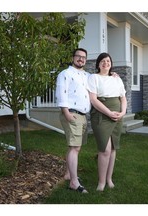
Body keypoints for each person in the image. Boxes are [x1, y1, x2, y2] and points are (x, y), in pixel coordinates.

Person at [88, 52, 127, 191]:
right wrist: (109, 113)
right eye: (103, 61)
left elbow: (123, 98)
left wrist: (122, 113)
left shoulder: (117, 78)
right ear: (98, 64)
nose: (106, 63)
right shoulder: (93, 77)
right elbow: (93, 99)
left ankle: (109, 178)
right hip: (101, 115)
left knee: (113, 148)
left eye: (108, 61)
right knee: (104, 149)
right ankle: (101, 182)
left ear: (111, 64)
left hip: (117, 116)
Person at [55, 48, 91, 193]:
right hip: (72, 114)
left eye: (84, 57)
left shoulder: (87, 75)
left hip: (82, 116)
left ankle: (69, 174)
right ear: (73, 58)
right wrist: (66, 112)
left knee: (75, 147)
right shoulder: (65, 74)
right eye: (78, 56)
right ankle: (74, 183)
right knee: (75, 148)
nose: (81, 59)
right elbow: (61, 93)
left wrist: (112, 75)